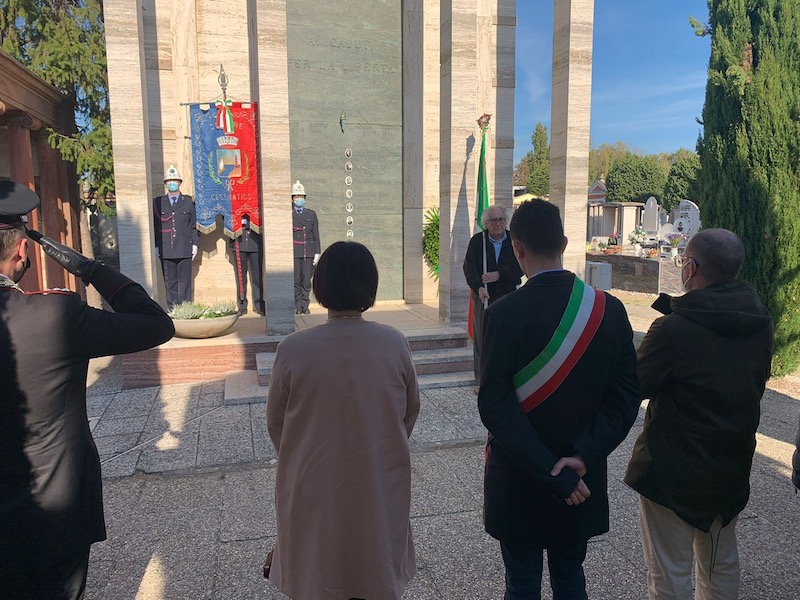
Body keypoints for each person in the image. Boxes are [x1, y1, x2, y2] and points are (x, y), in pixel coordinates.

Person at [0, 181, 175, 600]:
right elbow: (156, 323)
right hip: (49, 514)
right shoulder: (53, 317)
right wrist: (91, 269)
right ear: (23, 250)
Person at [478, 199, 641, 600]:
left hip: (520, 478)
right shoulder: (610, 311)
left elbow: (494, 406)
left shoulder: (501, 314)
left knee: (521, 585)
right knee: (571, 580)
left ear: (516, 249)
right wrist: (582, 457)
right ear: (565, 243)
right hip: (580, 481)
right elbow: (625, 398)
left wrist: (550, 469)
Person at [625, 228, 773, 599]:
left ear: (691, 267)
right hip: (730, 465)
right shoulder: (760, 323)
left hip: (671, 469)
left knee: (669, 576)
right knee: (720, 565)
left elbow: (635, 385)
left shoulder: (674, 329)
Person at [267, 241, 419, 600]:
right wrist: (377, 442)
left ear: (320, 286)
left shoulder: (292, 349)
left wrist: (308, 450)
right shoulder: (394, 343)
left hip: (312, 482)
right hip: (378, 477)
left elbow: (277, 427)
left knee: (317, 569)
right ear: (370, 286)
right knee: (375, 564)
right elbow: (409, 412)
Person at [463, 204, 523, 391]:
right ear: (486, 223)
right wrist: (479, 287)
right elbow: (469, 267)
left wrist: (499, 275)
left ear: (506, 221)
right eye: (493, 220)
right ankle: (482, 382)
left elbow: (520, 267)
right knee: (483, 339)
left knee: (507, 337)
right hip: (483, 296)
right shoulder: (477, 241)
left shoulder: (515, 240)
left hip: (507, 297)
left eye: (501, 220)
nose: (497, 224)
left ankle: (507, 379)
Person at [153, 164, 200, 309]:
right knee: (170, 281)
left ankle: (186, 309)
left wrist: (195, 244)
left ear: (180, 183)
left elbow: (194, 225)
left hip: (184, 247)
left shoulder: (188, 202)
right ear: (165, 184)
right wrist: (156, 245)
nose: (172, 183)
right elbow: (155, 226)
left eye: (175, 181)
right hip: (166, 248)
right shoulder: (158, 202)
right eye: (169, 181)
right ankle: (173, 309)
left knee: (185, 282)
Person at [291, 179, 320, 315]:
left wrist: (317, 253)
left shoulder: (311, 214)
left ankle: (305, 305)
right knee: (296, 280)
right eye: (297, 197)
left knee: (306, 280)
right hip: (295, 251)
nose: (299, 199)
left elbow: (315, 234)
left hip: (308, 250)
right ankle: (298, 305)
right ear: (292, 199)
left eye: (301, 197)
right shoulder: (289, 214)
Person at [229, 214, 264, 315]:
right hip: (239, 243)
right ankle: (242, 304)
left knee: (257, 277)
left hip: (255, 243)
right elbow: (226, 218)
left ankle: (258, 304)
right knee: (241, 279)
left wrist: (247, 223)